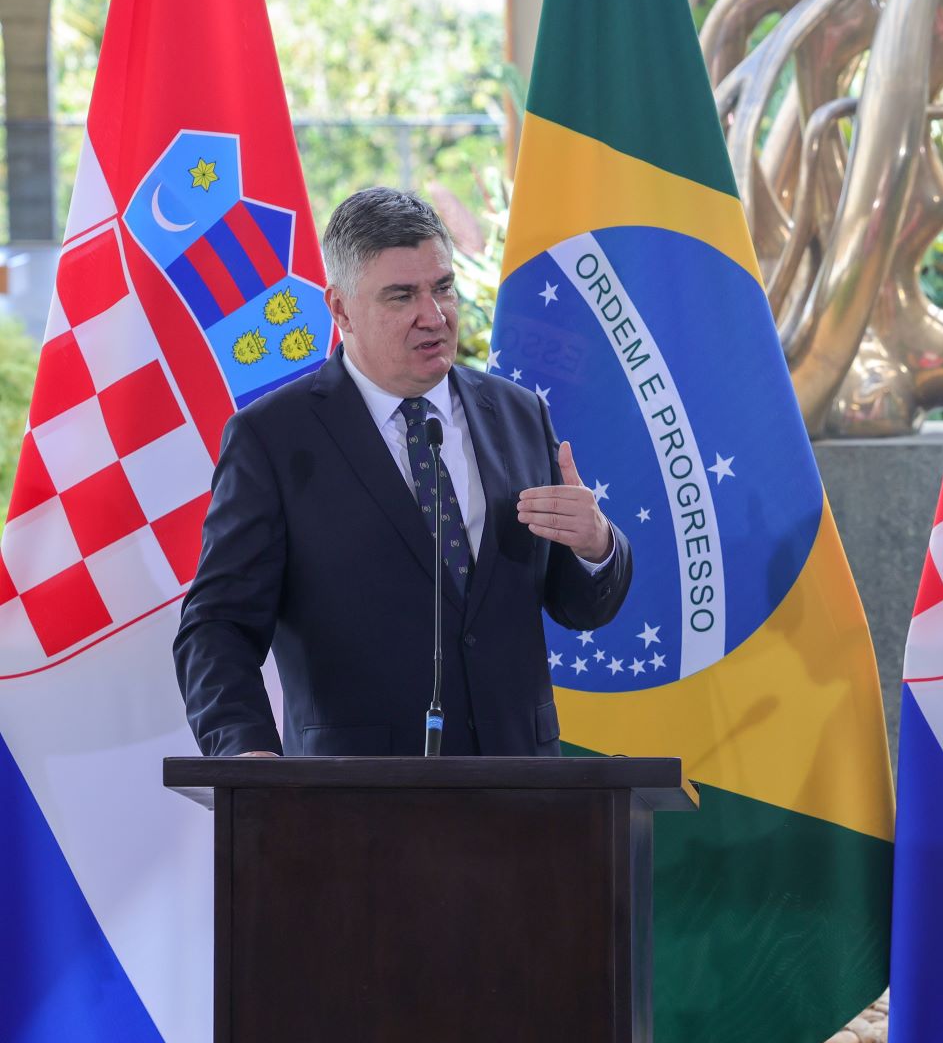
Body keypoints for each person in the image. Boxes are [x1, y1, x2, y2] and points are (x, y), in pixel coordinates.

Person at [174, 188, 632, 756]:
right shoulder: (273, 439)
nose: (433, 316)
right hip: (355, 800)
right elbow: (217, 626)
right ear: (339, 308)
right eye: (401, 296)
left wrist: (596, 546)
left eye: (442, 287)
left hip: (522, 792)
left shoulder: (518, 413)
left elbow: (579, 606)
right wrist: (246, 755)